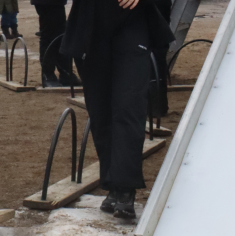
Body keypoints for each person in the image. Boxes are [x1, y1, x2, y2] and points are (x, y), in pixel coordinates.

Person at [61, 0, 174, 221]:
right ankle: (112, 183)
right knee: (100, 108)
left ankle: (125, 189)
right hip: (91, 26)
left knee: (128, 106)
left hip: (133, 25)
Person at [31, 0, 74, 86]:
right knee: (49, 35)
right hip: (47, 3)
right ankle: (48, 74)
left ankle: (65, 73)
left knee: (60, 34)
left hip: (56, 2)